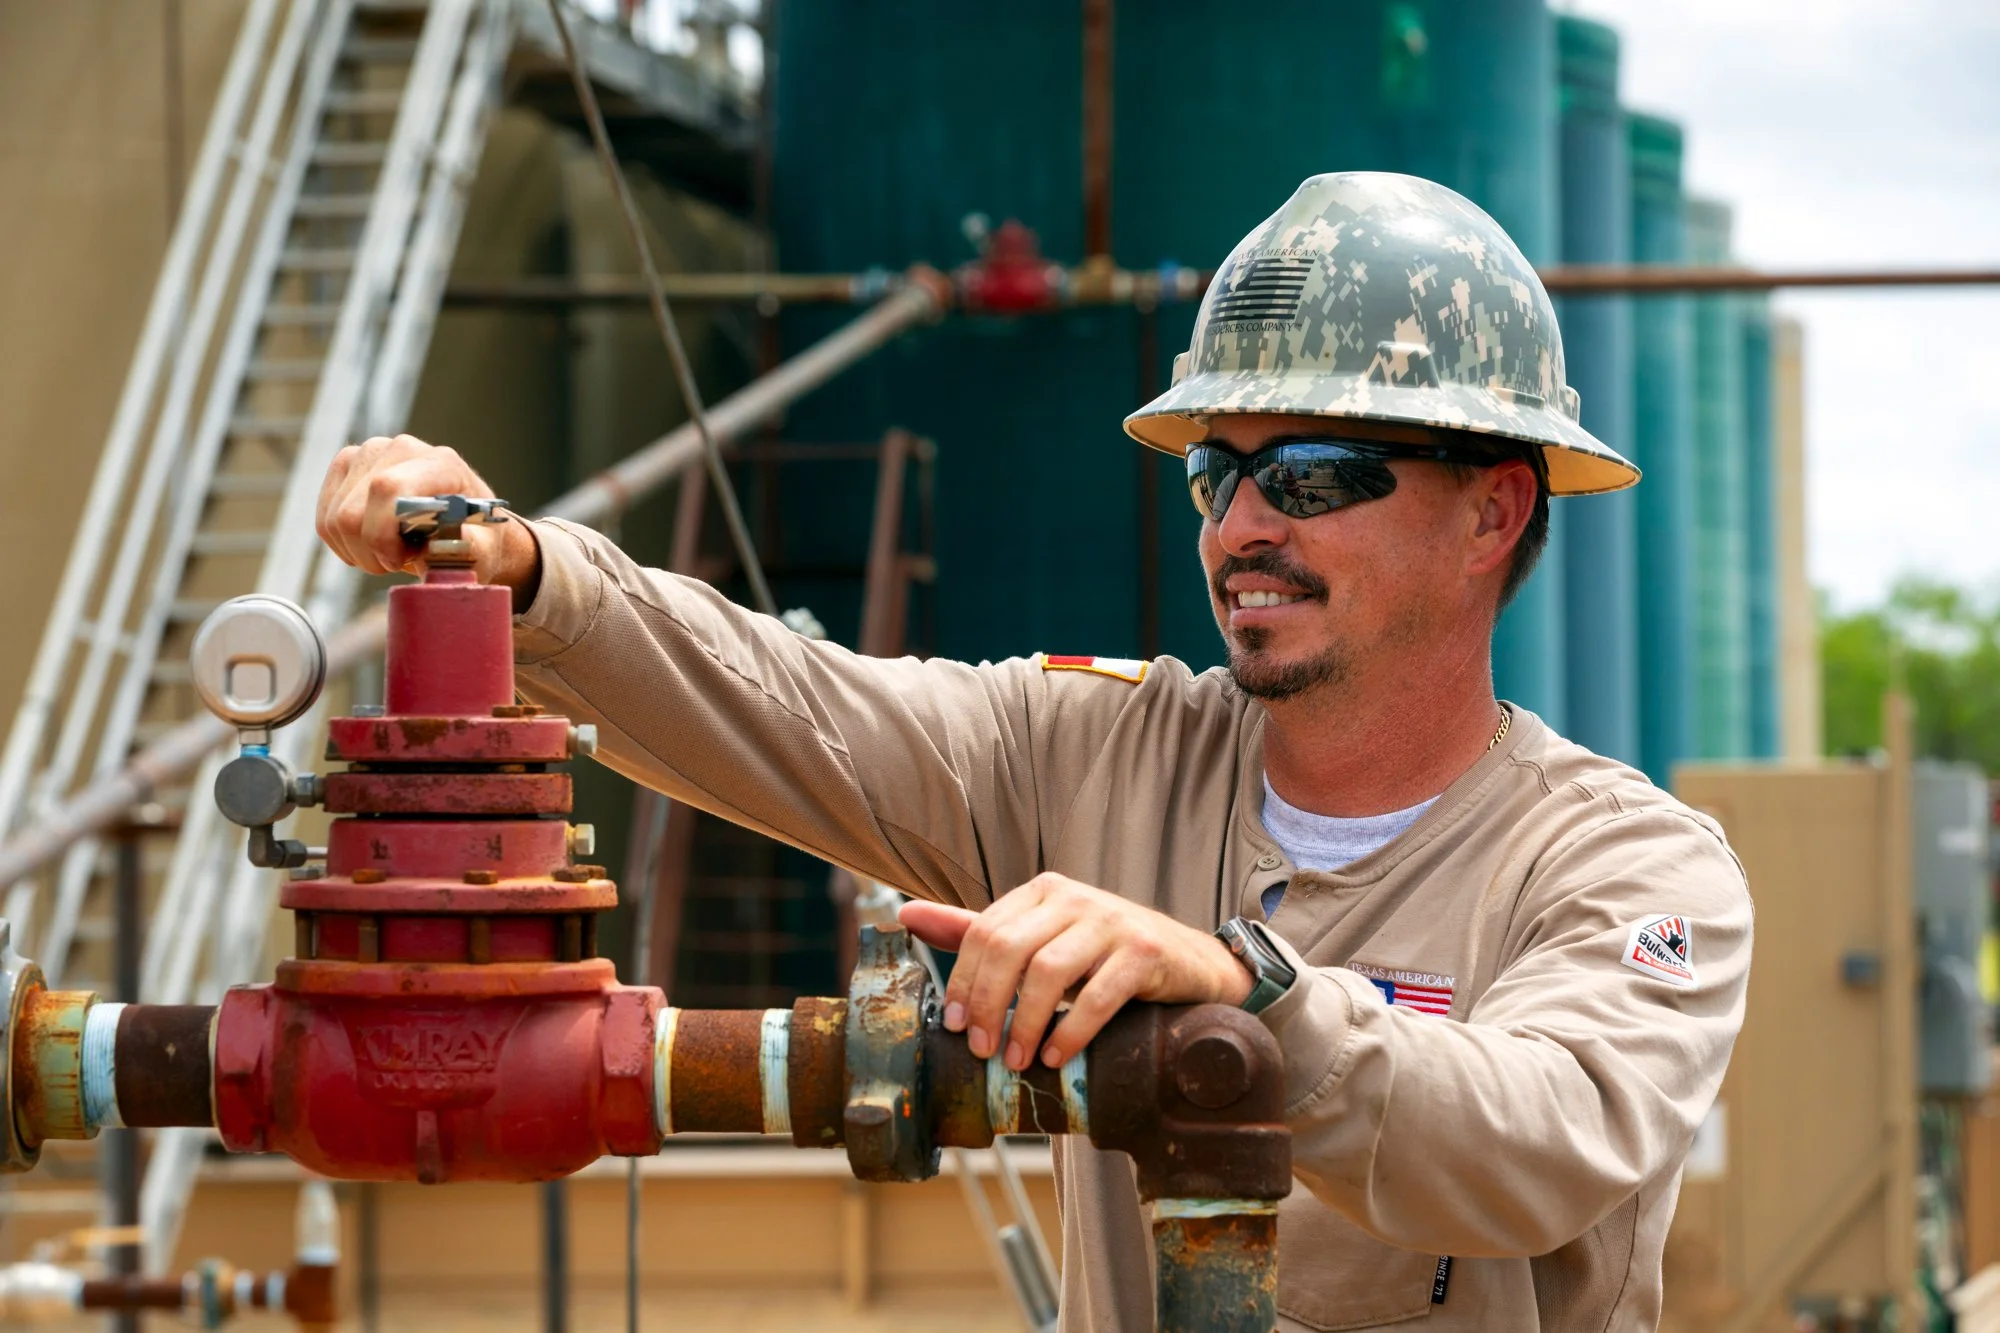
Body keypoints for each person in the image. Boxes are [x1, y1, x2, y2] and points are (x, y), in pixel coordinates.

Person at [317, 172, 1750, 1332]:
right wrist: (522, 569)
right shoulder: (1094, 756)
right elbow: (786, 705)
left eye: (1313, 474)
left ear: (1495, 513)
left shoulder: (1624, 864)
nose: (1242, 526)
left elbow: (1536, 1141)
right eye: (1217, 472)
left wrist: (1249, 990)